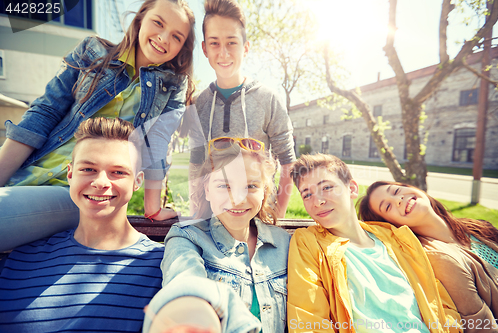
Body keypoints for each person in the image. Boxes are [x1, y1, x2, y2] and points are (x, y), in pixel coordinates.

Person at [0, 0, 196, 252]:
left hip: (79, 191)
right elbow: (45, 112)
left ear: (182, 47)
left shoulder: (171, 86)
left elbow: (156, 144)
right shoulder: (92, 51)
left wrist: (153, 208)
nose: (163, 38)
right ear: (140, 19)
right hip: (32, 170)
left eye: (177, 37)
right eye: (158, 23)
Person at [0, 117, 165, 332]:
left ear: (137, 181)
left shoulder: (162, 265)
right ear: (70, 174)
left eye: (118, 172)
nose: (100, 182)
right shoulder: (22, 258)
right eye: (88, 169)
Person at [287, 153, 462, 333]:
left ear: (352, 189)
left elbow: (439, 301)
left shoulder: (395, 238)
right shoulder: (308, 242)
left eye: (327, 187)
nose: (318, 201)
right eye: (307, 195)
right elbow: (307, 322)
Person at [143, 138, 291, 333]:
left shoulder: (284, 243)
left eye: (251, 186)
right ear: (207, 190)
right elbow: (186, 287)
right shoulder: (188, 238)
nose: (238, 199)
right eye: (224, 186)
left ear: (264, 191)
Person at [187, 0, 296, 218]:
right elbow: (195, 164)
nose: (224, 53)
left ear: (245, 48)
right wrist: (196, 213)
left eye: (232, 43)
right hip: (212, 217)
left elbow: (287, 161)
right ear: (205, 49)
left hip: (256, 215)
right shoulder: (197, 104)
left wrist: (278, 216)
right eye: (215, 43)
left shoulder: (268, 98)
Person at [358, 180, 498, 332]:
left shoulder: (476, 226)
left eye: (396, 191)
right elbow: (481, 326)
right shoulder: (440, 260)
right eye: (387, 206)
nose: (398, 200)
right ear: (390, 224)